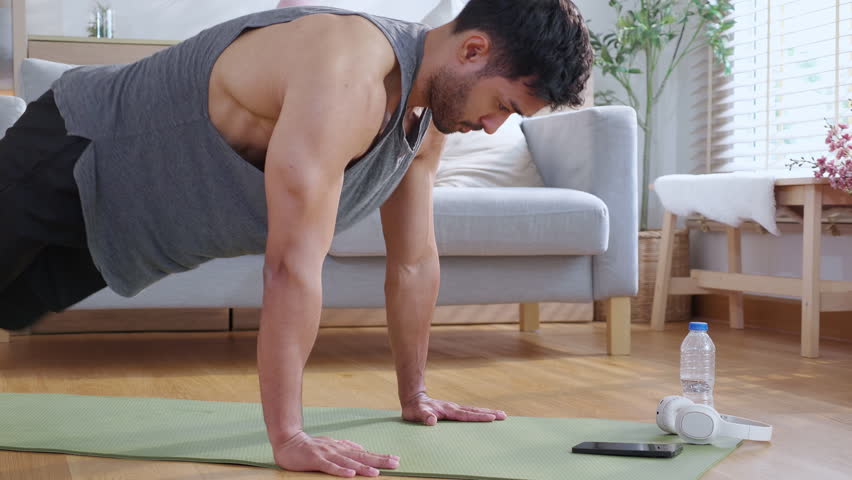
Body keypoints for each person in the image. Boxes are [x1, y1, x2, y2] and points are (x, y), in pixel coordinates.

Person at [0, 0, 593, 476]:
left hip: (122, 227)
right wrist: (287, 436)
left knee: (11, 307)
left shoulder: (425, 121)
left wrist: (416, 395)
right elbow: (291, 268)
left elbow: (413, 261)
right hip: (75, 149)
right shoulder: (346, 71)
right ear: (472, 49)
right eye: (503, 105)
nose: (493, 126)